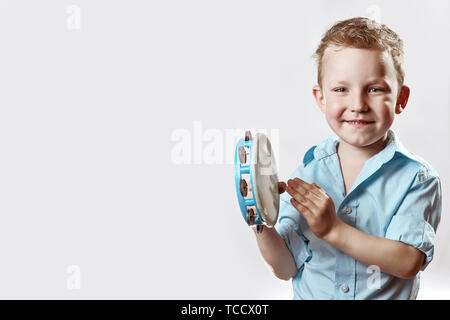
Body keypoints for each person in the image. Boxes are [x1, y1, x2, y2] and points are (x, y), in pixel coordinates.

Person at [252, 17, 442, 299]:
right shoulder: (309, 171)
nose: (358, 105)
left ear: (401, 99)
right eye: (341, 89)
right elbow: (286, 267)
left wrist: (333, 230)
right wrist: (261, 222)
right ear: (320, 99)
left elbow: (408, 261)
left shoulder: (416, 178)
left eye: (375, 89)